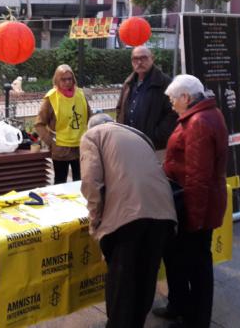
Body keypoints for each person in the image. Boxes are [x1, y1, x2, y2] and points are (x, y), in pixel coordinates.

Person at [80, 113, 177, 328]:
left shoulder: (92, 136)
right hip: (164, 212)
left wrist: (95, 223)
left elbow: (91, 182)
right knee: (146, 275)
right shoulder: (139, 136)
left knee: (122, 283)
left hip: (128, 217)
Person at [153, 74, 228, 328]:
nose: (171, 104)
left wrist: (194, 220)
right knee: (177, 257)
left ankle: (196, 319)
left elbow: (198, 176)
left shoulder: (198, 122)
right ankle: (179, 305)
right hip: (189, 200)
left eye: (173, 99)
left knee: (197, 264)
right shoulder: (201, 114)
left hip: (194, 206)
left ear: (186, 97)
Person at [34, 64, 91, 184]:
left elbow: (90, 118)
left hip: (80, 147)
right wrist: (51, 142)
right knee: (60, 182)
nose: (67, 82)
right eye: (63, 79)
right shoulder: (52, 98)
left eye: (70, 79)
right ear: (57, 80)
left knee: (82, 183)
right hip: (60, 149)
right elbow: (39, 124)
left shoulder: (80, 95)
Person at [116, 46, 178, 151]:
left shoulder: (164, 82)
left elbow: (173, 113)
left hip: (154, 146)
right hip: (129, 143)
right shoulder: (128, 83)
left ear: (152, 59)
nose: (139, 62)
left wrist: (156, 136)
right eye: (135, 59)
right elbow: (120, 109)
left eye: (144, 58)